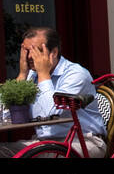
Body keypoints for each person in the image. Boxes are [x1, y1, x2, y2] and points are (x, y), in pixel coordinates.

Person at [0, 27, 107, 158]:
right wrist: (22, 74)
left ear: (54, 52)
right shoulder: (32, 75)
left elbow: (51, 113)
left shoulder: (76, 74)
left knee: (34, 156)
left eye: (36, 51)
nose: (29, 57)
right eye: (26, 51)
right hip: (45, 143)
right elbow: (5, 115)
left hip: (82, 141)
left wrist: (43, 74)